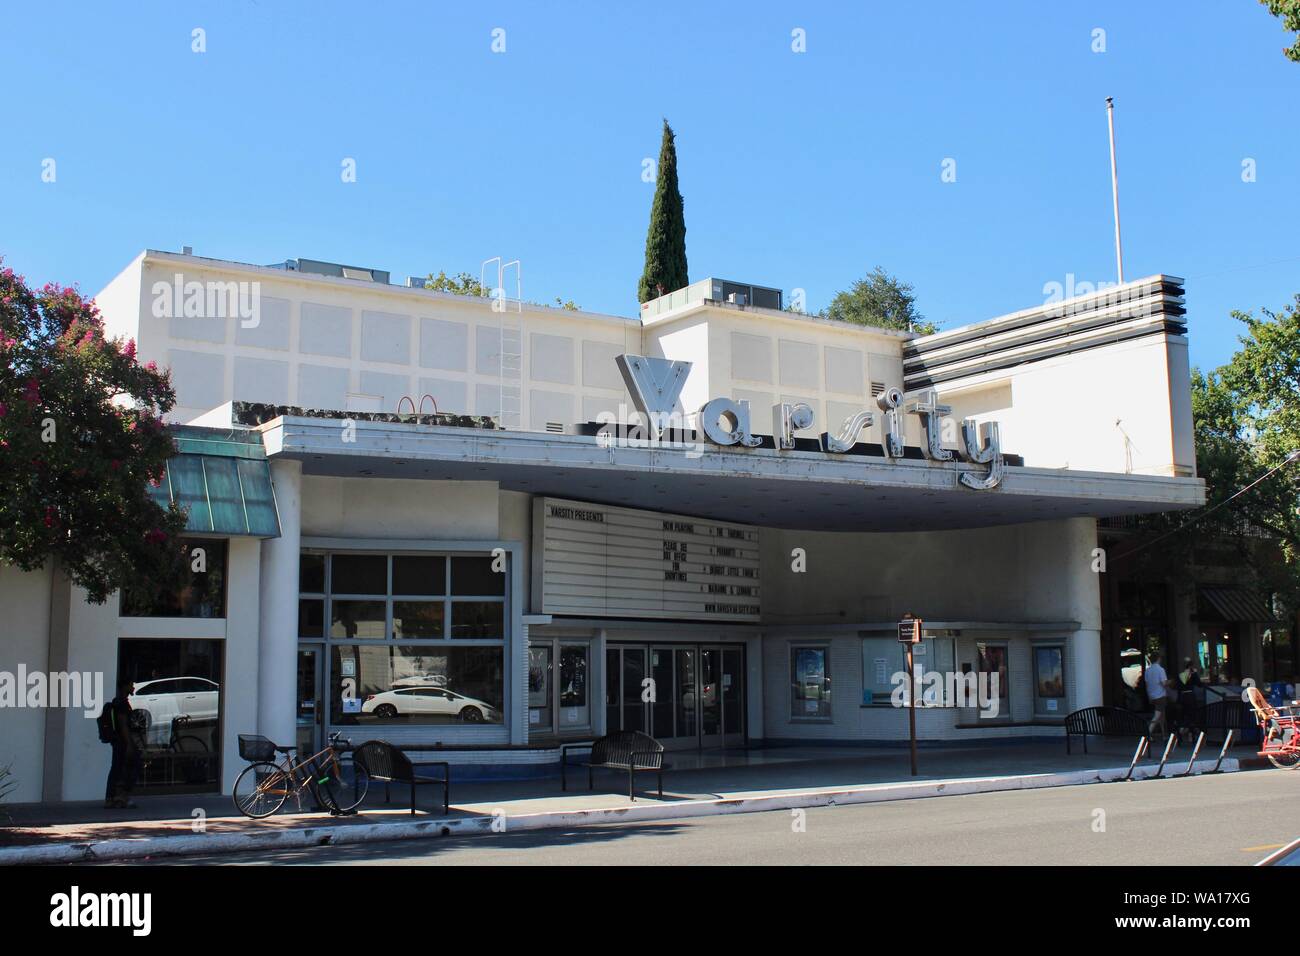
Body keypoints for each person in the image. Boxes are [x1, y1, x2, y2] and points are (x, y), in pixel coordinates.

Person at [104, 676, 141, 809]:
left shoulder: (118, 701)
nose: (133, 687)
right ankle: (121, 796)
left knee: (117, 768)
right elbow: (123, 724)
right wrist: (129, 744)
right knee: (130, 766)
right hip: (122, 742)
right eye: (131, 684)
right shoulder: (122, 703)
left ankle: (112, 798)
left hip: (118, 741)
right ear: (125, 686)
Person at [1145, 652, 1170, 738]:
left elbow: (1147, 685)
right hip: (1160, 696)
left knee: (1161, 716)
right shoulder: (1160, 670)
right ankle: (1147, 733)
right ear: (1159, 659)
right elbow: (1164, 683)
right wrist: (1170, 682)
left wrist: (1149, 696)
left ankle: (1164, 734)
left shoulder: (1147, 671)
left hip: (1152, 696)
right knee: (1157, 716)